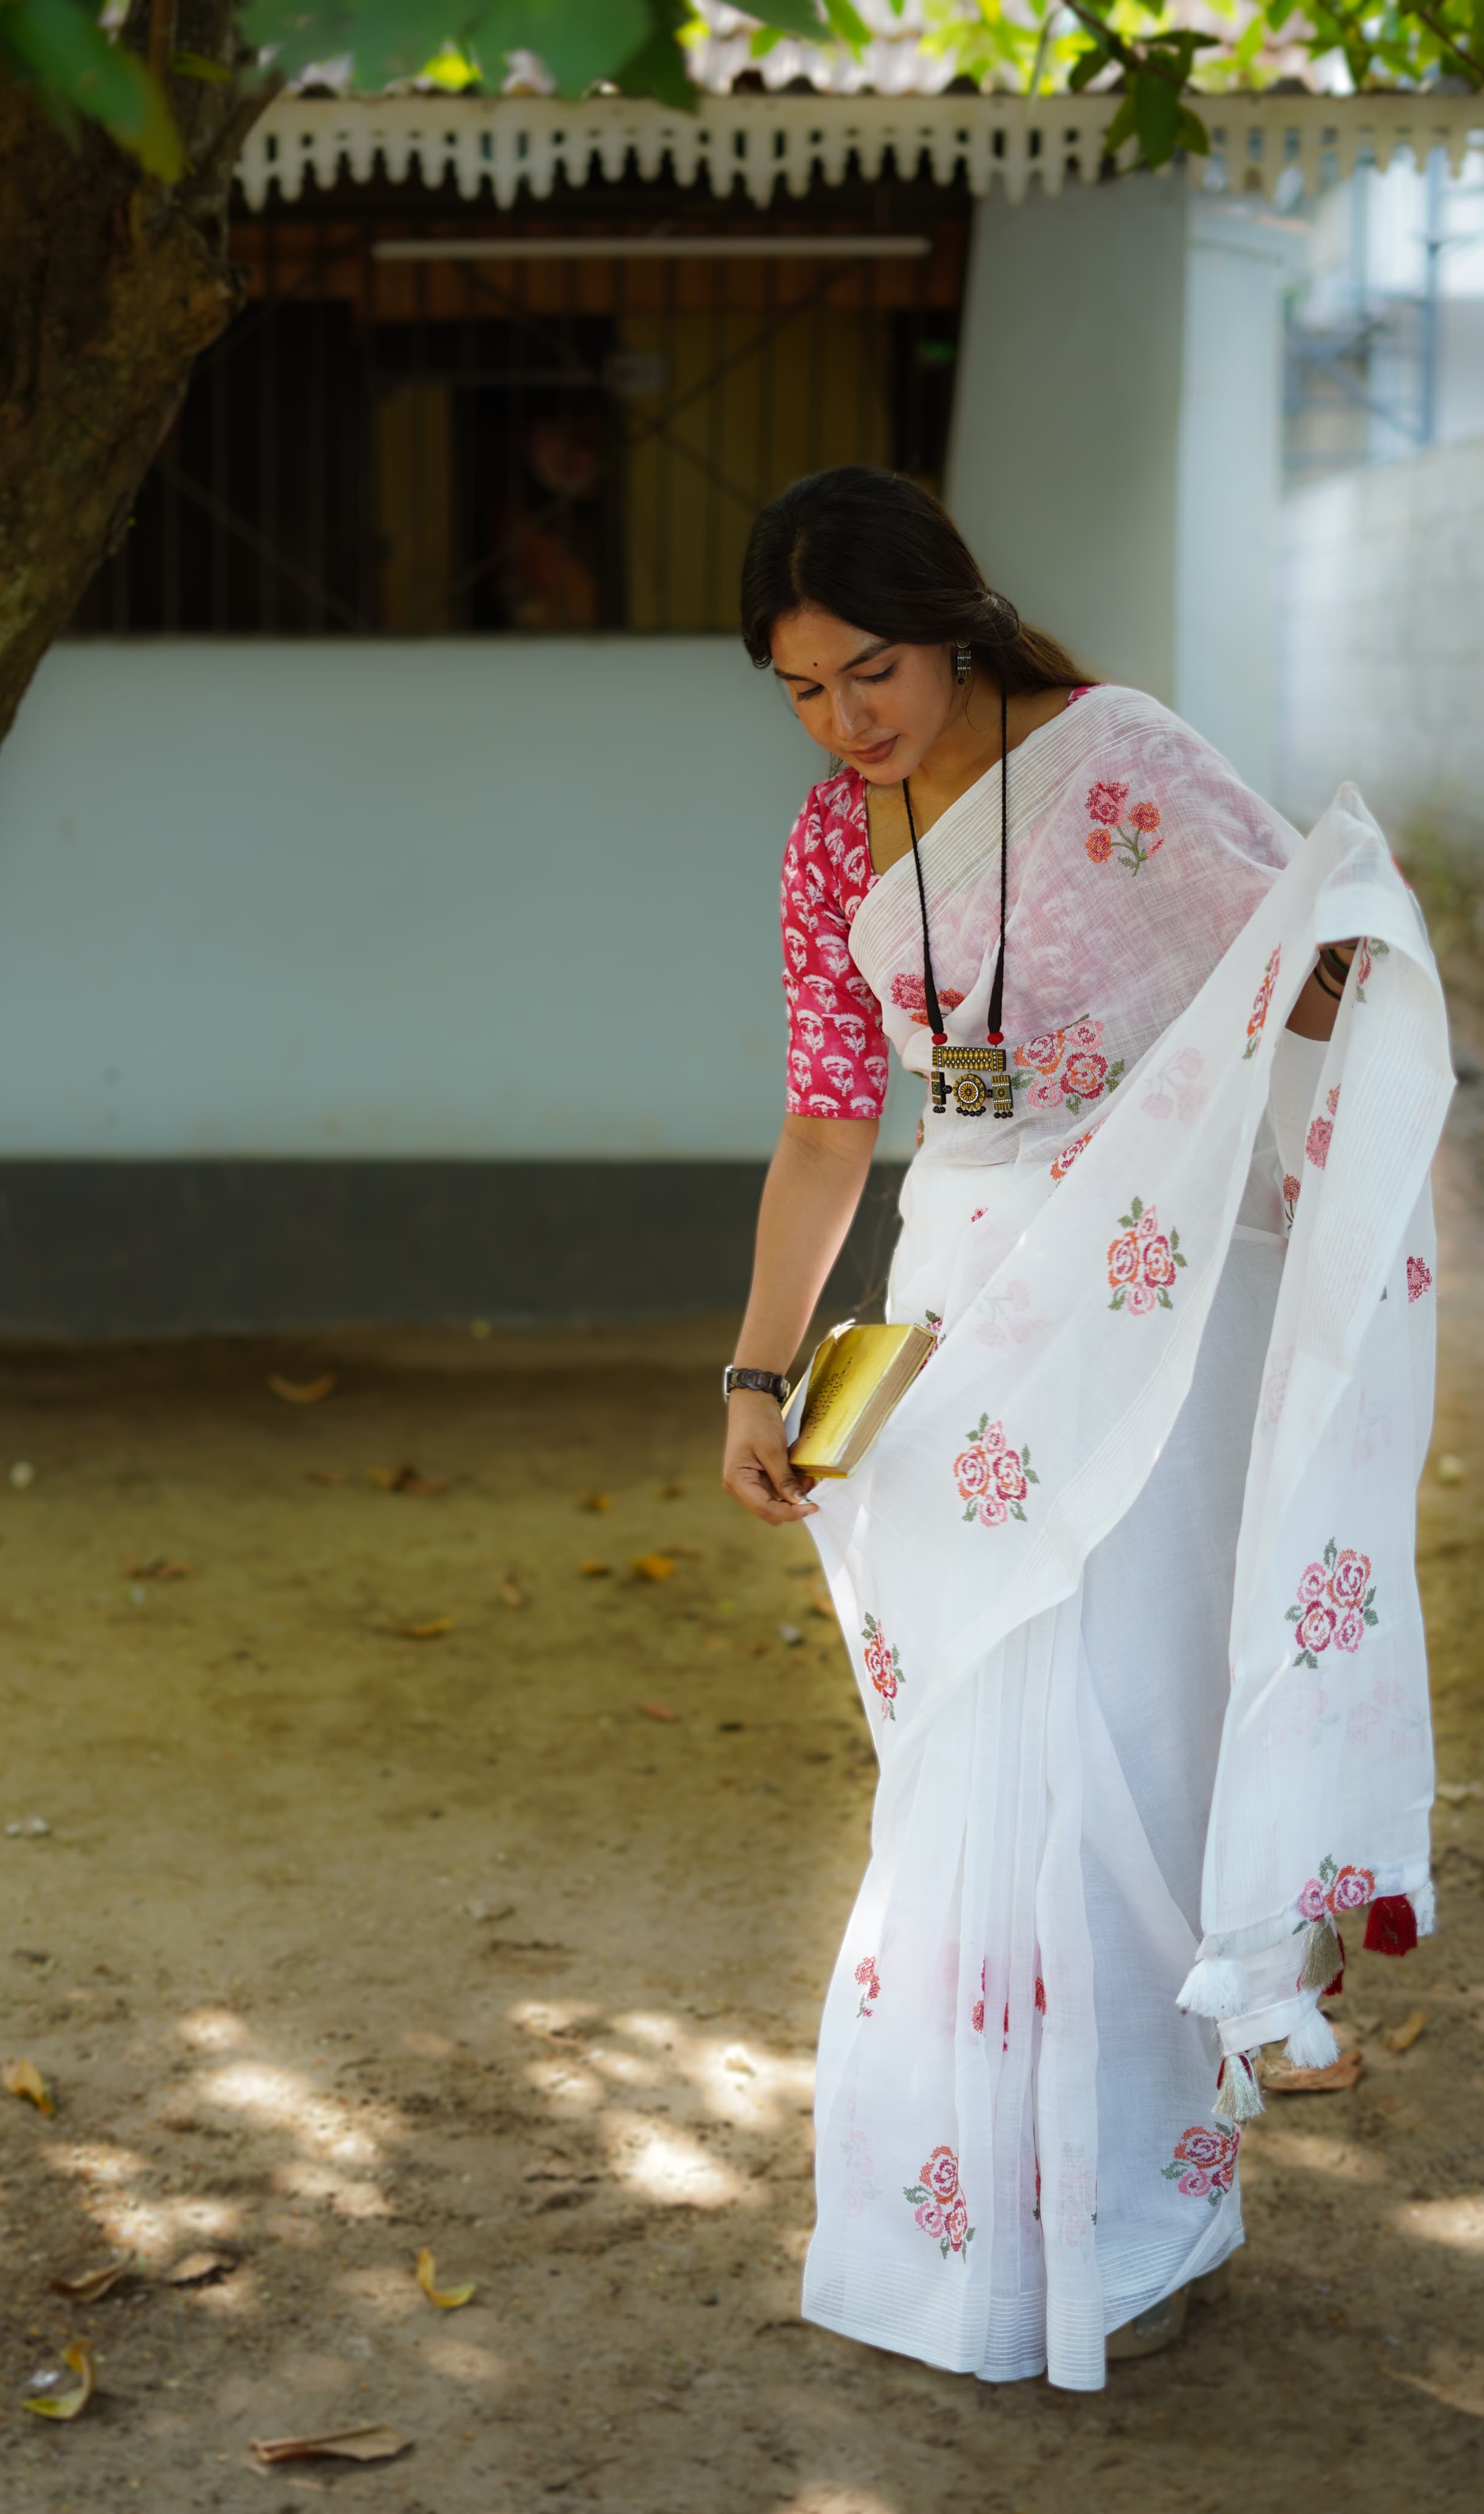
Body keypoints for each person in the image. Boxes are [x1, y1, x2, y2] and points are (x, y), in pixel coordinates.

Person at [721, 467, 1450, 2390]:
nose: (845, 720)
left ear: (955, 619)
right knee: (973, 1746)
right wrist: (755, 1370)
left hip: (1146, 1300)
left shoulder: (1118, 758)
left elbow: (1307, 966)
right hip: (964, 1300)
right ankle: (954, 2228)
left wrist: (1308, 1031)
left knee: (1125, 1738)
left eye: (869, 669)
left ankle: (1140, 2219)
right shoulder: (827, 849)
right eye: (800, 689)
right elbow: (825, 1125)